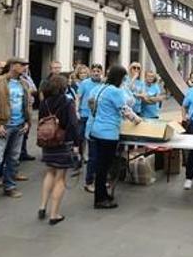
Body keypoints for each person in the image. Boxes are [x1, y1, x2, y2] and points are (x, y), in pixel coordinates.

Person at [0, 58, 31, 210]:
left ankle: (9, 186)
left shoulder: (24, 83)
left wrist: (28, 122)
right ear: (13, 66)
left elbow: (27, 104)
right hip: (3, 126)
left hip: (19, 126)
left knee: (14, 159)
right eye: (21, 65)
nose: (24, 68)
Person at [87, 65, 141, 209]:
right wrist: (137, 120)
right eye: (123, 78)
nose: (124, 81)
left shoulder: (99, 88)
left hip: (96, 130)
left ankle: (102, 194)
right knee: (104, 167)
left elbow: (90, 103)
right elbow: (125, 110)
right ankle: (100, 199)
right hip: (108, 133)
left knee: (100, 166)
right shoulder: (115, 91)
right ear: (119, 78)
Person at [37, 74, 81, 225]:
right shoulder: (67, 102)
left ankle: (42, 206)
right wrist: (76, 144)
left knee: (50, 172)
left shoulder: (44, 102)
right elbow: (73, 124)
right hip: (63, 142)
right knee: (60, 177)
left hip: (48, 141)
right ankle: (54, 214)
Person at [77, 64, 104, 193]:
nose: (95, 73)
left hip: (98, 119)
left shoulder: (103, 84)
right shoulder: (85, 83)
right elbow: (79, 97)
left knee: (95, 151)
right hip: (85, 115)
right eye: (93, 71)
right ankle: (79, 161)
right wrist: (77, 111)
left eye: (98, 71)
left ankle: (94, 179)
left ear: (101, 72)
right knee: (81, 140)